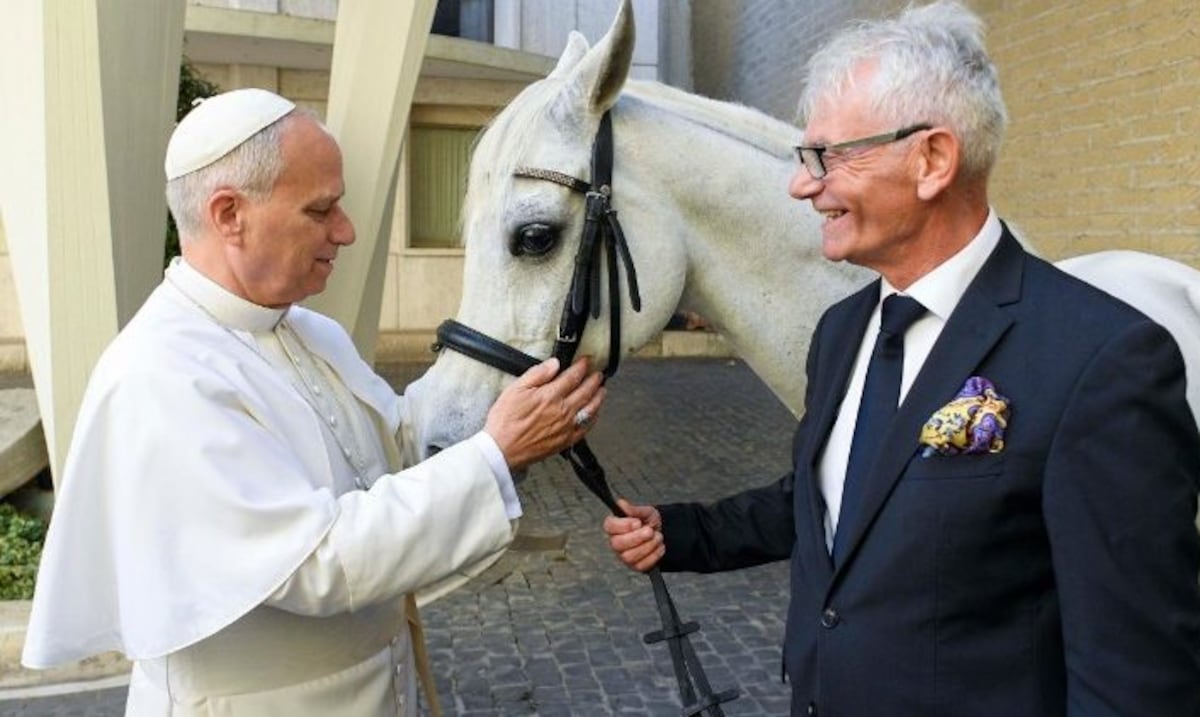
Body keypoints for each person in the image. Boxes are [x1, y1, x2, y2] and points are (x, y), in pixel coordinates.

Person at [604, 2, 1200, 715]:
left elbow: (1133, 679)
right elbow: (833, 500)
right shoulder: (842, 332)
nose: (803, 183)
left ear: (932, 160)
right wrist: (684, 533)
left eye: (829, 155)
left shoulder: (1102, 361)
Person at [22, 87, 606, 716]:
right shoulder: (161, 374)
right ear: (228, 215)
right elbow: (316, 561)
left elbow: (396, 447)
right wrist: (497, 451)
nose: (346, 231)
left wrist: (502, 390)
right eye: (320, 209)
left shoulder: (309, 330)